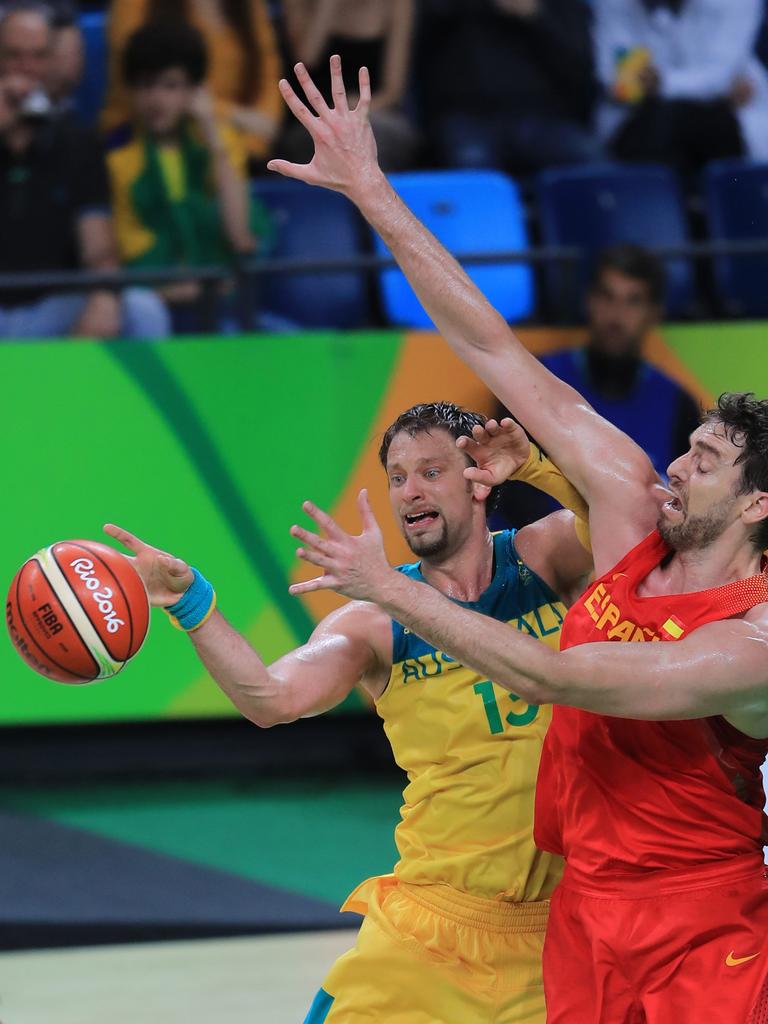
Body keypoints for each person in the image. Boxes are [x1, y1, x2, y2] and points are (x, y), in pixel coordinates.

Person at [267, 57, 768, 1022]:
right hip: (581, 924)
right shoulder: (629, 507)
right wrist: (373, 191)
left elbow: (560, 679)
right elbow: (491, 344)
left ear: (755, 508)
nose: (675, 469)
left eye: (703, 461)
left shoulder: (752, 641)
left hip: (704, 927)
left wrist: (391, 588)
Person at [106, 401, 593, 1024]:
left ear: (478, 476)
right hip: (431, 934)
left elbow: (639, 521)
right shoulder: (374, 622)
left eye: (430, 471)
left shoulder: (544, 556)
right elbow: (270, 698)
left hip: (561, 932)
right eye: (396, 477)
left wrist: (539, 470)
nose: (409, 491)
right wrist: (191, 603)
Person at [494, 242, 701, 529]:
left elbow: (691, 509)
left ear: (654, 313)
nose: (616, 315)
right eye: (608, 296)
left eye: (633, 301)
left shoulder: (678, 406)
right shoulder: (536, 384)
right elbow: (505, 496)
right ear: (589, 300)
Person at [0, 4, 169, 339]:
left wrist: (105, 297)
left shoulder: (78, 142)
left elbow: (99, 248)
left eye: (38, 56)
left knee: (142, 310)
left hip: (52, 307)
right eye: (14, 56)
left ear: (52, 63)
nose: (26, 69)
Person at [107, 21, 274, 334]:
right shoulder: (119, 161)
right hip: (158, 310)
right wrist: (194, 290)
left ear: (195, 91)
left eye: (170, 86)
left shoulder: (221, 144)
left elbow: (238, 233)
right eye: (145, 86)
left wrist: (212, 134)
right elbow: (134, 262)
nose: (156, 99)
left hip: (228, 308)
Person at [419, 0, 601, 174]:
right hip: (468, 117)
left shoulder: (561, 6)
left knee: (591, 162)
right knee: (472, 164)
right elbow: (422, 35)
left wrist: (537, 16)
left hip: (546, 119)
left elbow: (580, 70)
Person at [594, 0, 768, 176]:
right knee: (665, 121)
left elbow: (720, 76)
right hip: (641, 120)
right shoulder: (615, 5)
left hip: (724, 120)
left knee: (706, 123)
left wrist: (660, 82)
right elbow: (611, 75)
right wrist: (711, 90)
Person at [101, 0, 283, 162]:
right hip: (144, 135)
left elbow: (268, 79)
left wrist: (243, 143)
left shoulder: (250, 5)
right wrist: (220, 113)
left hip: (235, 139)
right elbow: (135, 70)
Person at [280, 0, 418, 171]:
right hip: (312, 119)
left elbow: (393, 90)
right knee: (324, 140)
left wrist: (357, 110)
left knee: (371, 137)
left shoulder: (397, 4)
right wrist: (327, 6)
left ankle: (371, 195)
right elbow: (307, 58)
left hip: (372, 114)